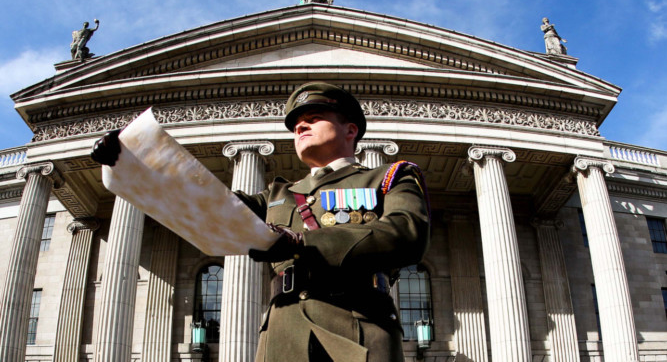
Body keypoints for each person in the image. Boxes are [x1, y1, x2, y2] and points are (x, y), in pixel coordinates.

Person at [91, 82, 430, 362]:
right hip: (283, 334)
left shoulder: (389, 177)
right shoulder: (277, 195)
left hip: (359, 325)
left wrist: (302, 243)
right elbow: (209, 207)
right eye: (297, 125)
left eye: (314, 118)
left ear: (350, 129)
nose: (301, 127)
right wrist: (133, 164)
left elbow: (405, 233)